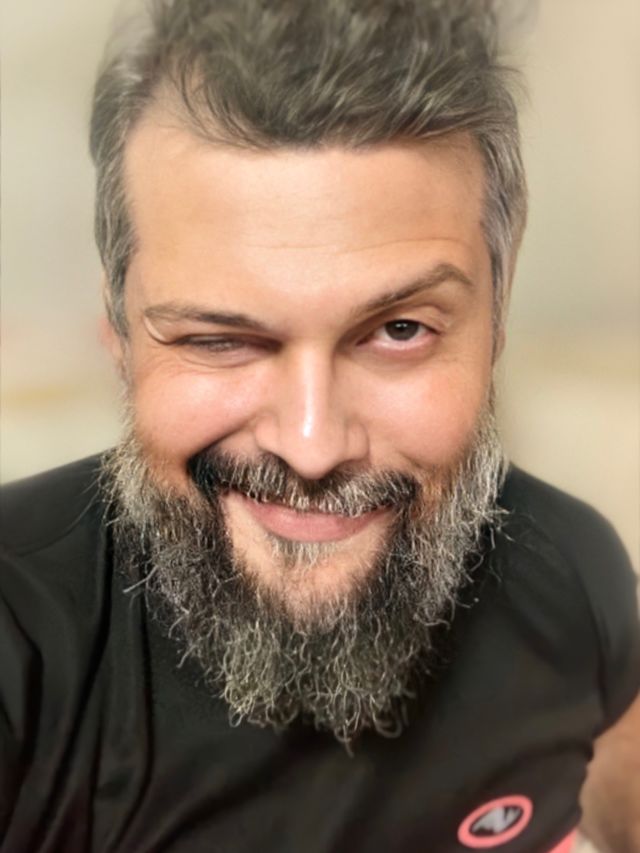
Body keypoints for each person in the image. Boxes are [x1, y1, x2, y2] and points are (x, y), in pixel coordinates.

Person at [1, 1, 638, 851]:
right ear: (119, 333)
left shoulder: (573, 573)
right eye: (219, 338)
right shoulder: (18, 636)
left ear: (497, 315)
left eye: (400, 329)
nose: (311, 445)